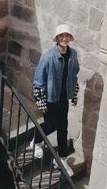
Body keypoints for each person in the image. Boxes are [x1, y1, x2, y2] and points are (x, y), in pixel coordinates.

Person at [30, 24, 79, 176]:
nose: (65, 38)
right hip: (51, 98)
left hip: (64, 98)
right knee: (51, 125)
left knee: (63, 127)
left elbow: (74, 75)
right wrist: (41, 101)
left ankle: (61, 158)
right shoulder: (48, 56)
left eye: (67, 36)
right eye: (61, 36)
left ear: (70, 38)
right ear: (57, 38)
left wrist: (74, 93)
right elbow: (38, 81)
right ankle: (36, 141)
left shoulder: (74, 55)